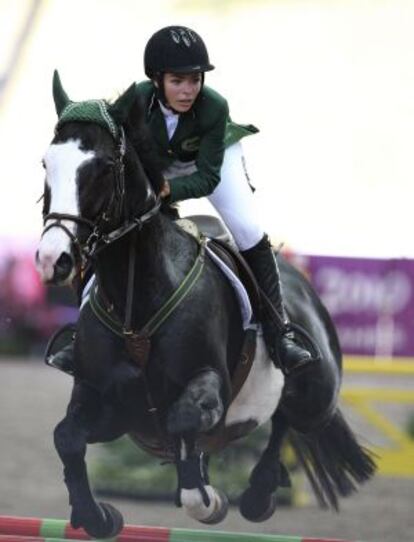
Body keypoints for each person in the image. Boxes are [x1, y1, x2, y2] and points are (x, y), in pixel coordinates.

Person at [50, 25, 313, 376]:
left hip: (213, 159)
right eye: (178, 81)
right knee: (111, 228)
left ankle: (281, 335)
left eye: (195, 80)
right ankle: (79, 334)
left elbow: (207, 177)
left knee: (248, 230)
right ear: (156, 79)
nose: (188, 91)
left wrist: (168, 191)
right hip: (159, 163)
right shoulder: (136, 103)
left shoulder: (214, 107)